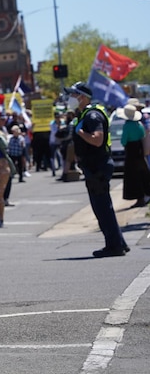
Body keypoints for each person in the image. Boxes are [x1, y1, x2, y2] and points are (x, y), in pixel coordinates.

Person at [65, 82, 129, 257]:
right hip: (94, 166)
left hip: (97, 167)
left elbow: (97, 140)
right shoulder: (85, 114)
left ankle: (114, 246)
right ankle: (119, 243)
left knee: (102, 209)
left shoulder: (92, 116)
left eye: (73, 95)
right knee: (102, 207)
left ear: (82, 97)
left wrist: (80, 133)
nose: (70, 98)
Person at [117, 104, 150, 208]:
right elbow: (143, 135)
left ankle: (139, 198)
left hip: (131, 151)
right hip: (139, 150)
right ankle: (146, 194)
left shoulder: (127, 125)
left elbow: (123, 140)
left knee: (132, 175)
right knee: (143, 173)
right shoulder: (139, 124)